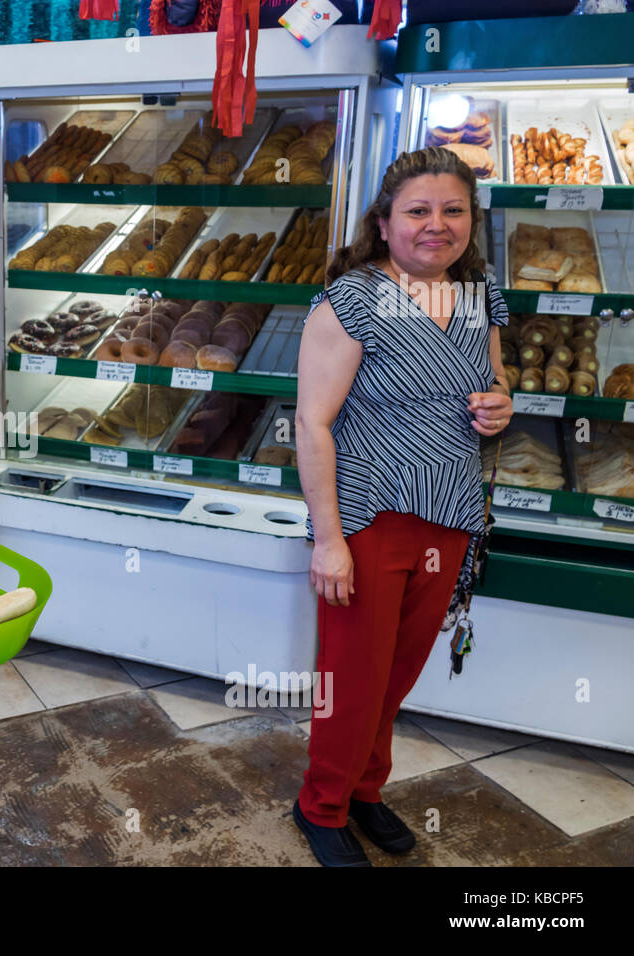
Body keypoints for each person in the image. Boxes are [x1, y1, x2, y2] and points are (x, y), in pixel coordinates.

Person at [292, 147, 513, 867]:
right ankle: (320, 805)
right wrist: (328, 540)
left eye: (453, 211)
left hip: (449, 512)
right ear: (384, 223)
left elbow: (496, 379)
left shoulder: (480, 297)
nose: (436, 225)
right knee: (351, 677)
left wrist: (497, 407)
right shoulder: (351, 301)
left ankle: (366, 790)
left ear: (470, 222)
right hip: (369, 516)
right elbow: (312, 423)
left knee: (397, 672)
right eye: (418, 210)